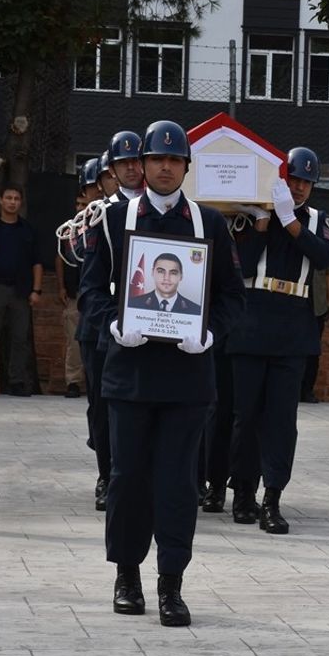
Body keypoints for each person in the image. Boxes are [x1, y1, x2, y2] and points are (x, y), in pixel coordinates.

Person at [79, 120, 245, 627]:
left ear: (186, 167)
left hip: (187, 380)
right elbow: (89, 292)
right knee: (128, 479)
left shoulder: (208, 225)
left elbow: (232, 297)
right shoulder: (112, 219)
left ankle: (171, 583)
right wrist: (114, 325)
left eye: (175, 160)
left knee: (177, 484)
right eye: (156, 159)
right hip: (129, 375)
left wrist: (210, 333)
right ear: (141, 166)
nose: (165, 167)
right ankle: (126, 574)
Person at [228, 147, 329, 534]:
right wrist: (262, 222)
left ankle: (272, 496)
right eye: (294, 179)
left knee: (281, 420)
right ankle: (242, 491)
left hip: (293, 326)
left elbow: (324, 256)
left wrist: (291, 221)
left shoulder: (317, 220)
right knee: (245, 416)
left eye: (307, 181)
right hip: (253, 320)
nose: (300, 187)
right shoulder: (252, 215)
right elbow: (238, 267)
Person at [81, 142, 136, 512]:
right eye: (122, 163)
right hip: (104, 323)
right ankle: (107, 475)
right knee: (101, 407)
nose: (131, 168)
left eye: (136, 160)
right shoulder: (100, 213)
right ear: (110, 171)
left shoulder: (160, 208)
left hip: (147, 321)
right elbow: (90, 277)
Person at [0, 185, 42, 397]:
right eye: (8, 198)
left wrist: (37, 290)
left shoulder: (28, 230)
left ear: (20, 202)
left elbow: (37, 263)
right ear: (0, 200)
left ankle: (17, 381)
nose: (12, 202)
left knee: (19, 338)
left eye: (16, 198)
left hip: (21, 291)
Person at [56, 192, 88, 399]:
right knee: (74, 342)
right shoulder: (68, 230)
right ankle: (73, 382)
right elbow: (59, 258)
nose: (79, 207)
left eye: (83, 204)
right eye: (77, 203)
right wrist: (60, 287)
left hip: (98, 294)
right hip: (74, 292)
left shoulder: (101, 225)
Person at [300, 267, 329, 403]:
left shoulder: (320, 248)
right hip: (295, 307)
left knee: (313, 352)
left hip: (317, 308)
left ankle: (307, 390)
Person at [128, 253, 201, 314]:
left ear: (181, 276)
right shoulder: (133, 304)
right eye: (161, 271)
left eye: (173, 273)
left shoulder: (196, 310)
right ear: (152, 272)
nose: (166, 278)